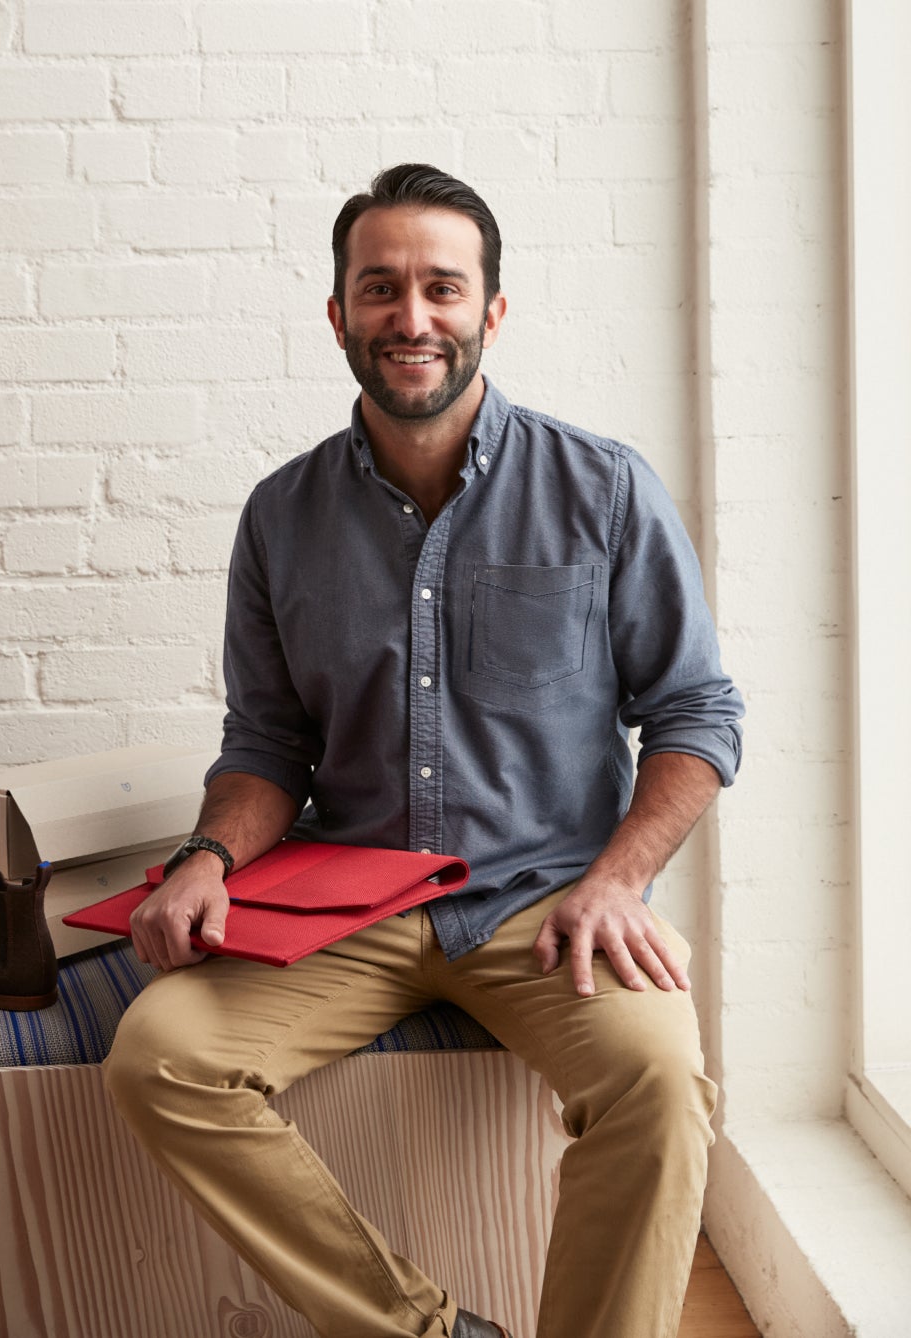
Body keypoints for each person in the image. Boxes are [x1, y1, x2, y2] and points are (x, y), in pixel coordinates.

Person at [101, 164, 742, 1338]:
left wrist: (618, 881)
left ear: (490, 311)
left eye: (442, 288)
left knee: (659, 1081)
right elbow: (268, 742)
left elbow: (696, 713)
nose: (412, 318)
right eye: (380, 288)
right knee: (160, 1061)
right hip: (343, 904)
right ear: (337, 312)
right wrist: (203, 857)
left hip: (548, 904)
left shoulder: (603, 489)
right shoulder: (280, 516)